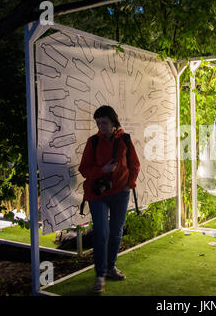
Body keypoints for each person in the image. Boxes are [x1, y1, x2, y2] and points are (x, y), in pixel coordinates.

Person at [79, 105, 140, 293]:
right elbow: (84, 169)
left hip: (120, 192)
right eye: (98, 123)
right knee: (101, 233)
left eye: (104, 122)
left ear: (113, 122)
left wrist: (130, 184)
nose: (100, 126)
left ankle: (111, 267)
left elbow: (134, 164)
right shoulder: (93, 142)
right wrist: (102, 170)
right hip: (97, 194)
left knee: (116, 231)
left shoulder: (125, 139)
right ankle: (100, 275)